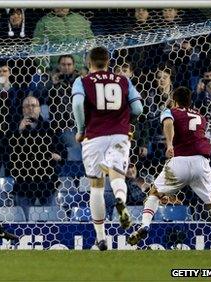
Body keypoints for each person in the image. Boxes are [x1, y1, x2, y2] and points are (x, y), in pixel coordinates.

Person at [127, 87, 211, 250]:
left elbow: (168, 122)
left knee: (154, 193)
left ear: (175, 100)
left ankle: (145, 225)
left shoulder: (170, 111)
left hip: (179, 161)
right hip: (201, 162)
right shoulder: (200, 116)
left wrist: (169, 144)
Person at [71, 46, 143, 251]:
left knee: (96, 186)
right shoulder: (123, 80)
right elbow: (138, 108)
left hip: (94, 136)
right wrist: (124, 118)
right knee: (118, 176)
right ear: (108, 62)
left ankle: (101, 238)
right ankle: (120, 199)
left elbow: (77, 105)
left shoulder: (82, 81)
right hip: (119, 135)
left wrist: (80, 129)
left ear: (89, 63)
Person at [8, 96, 66, 216]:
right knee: (23, 221)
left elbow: (62, 150)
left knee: (50, 218)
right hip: (23, 182)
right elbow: (7, 151)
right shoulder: (14, 127)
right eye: (27, 106)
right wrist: (19, 131)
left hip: (47, 182)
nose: (30, 108)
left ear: (39, 109)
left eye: (33, 105)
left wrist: (58, 156)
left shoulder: (49, 127)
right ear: (23, 110)